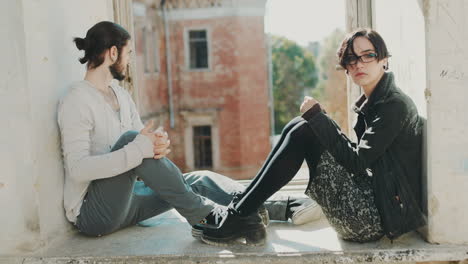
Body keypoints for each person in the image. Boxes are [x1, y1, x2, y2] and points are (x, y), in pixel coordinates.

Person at [57, 21, 319, 240]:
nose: (129, 61)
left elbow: (141, 144)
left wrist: (156, 144)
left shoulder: (121, 96)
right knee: (131, 141)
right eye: (128, 53)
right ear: (113, 53)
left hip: (130, 202)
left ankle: (279, 207)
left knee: (198, 180)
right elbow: (79, 168)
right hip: (93, 215)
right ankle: (209, 219)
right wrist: (139, 148)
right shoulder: (76, 99)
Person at [200, 28, 426, 246]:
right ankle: (240, 211)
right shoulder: (376, 103)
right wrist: (319, 121)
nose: (359, 63)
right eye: (351, 59)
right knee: (302, 124)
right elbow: (364, 161)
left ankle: (240, 213)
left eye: (368, 55)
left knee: (308, 127)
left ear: (384, 59)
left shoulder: (393, 105)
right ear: (346, 68)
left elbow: (357, 162)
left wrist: (319, 119)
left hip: (372, 220)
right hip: (373, 204)